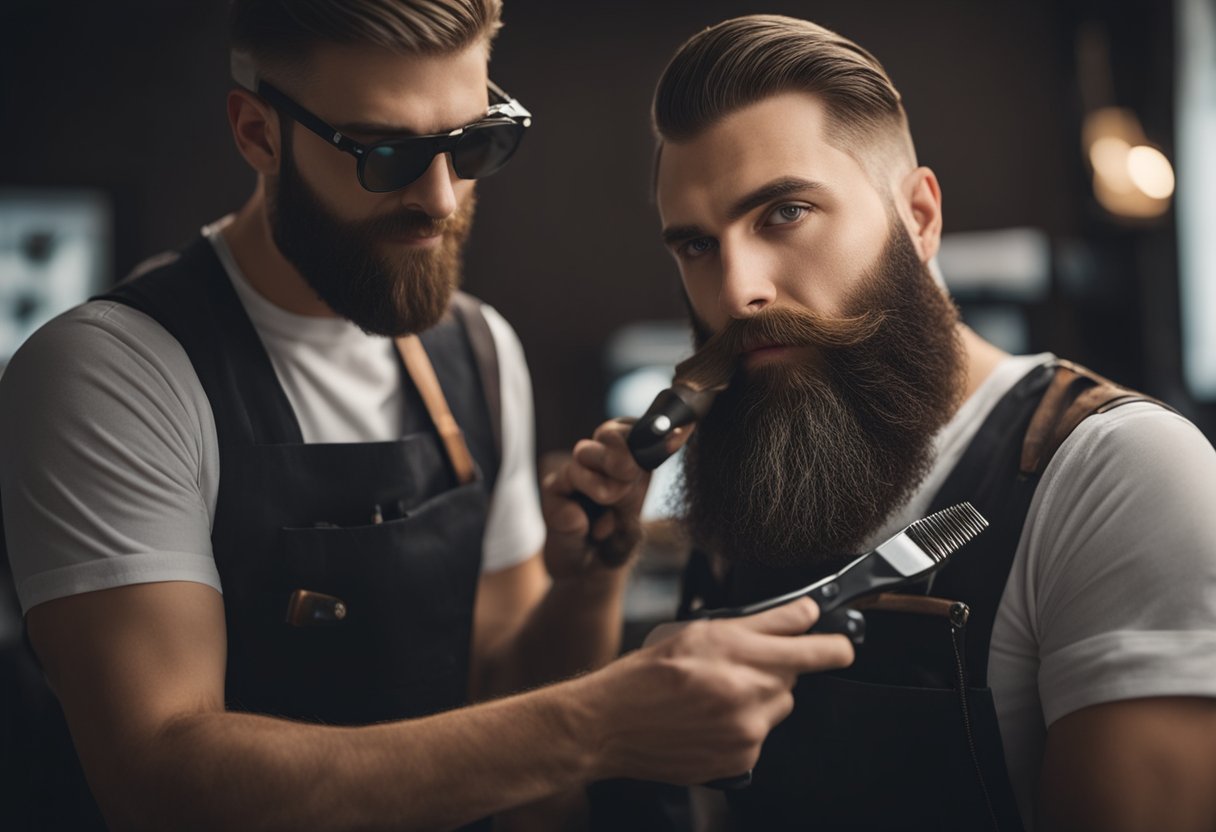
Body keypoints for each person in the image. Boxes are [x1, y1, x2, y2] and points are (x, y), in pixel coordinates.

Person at [0, 3, 856, 830]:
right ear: (259, 132)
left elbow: (504, 693)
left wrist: (591, 573)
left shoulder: (479, 350)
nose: (442, 199)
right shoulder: (115, 373)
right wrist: (594, 724)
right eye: (384, 153)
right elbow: (159, 784)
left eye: (474, 142)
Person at [643, 14, 1216, 832]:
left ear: (918, 216)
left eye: (784, 214)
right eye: (698, 246)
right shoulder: (762, 469)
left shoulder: (1122, 474)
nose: (737, 293)